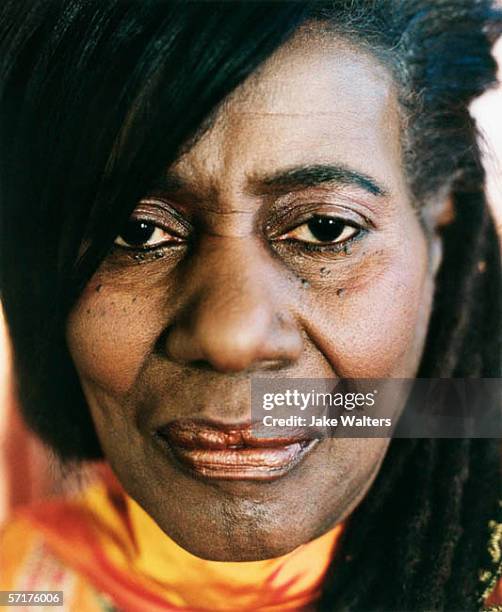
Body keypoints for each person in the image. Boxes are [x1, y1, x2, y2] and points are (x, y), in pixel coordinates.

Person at [0, 1, 501, 610]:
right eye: (135, 233)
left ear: (436, 217)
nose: (231, 338)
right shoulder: (26, 582)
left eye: (324, 228)